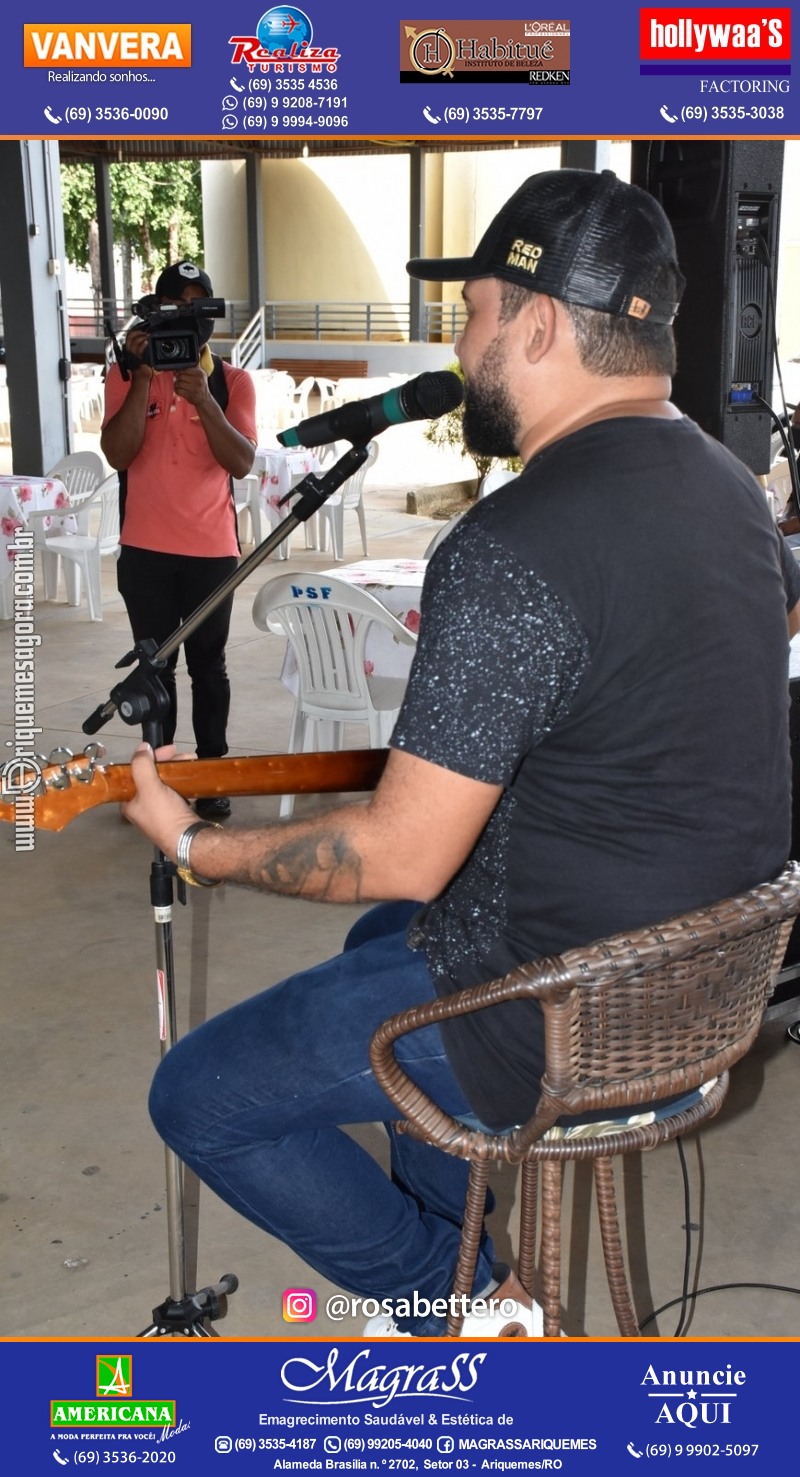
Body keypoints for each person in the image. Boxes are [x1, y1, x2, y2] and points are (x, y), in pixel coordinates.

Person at [122, 170, 800, 1337]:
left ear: (535, 325)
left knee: (199, 1094)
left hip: (554, 1007)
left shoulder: (512, 543)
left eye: (473, 312)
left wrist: (198, 844)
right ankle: (473, 1244)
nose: (459, 337)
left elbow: (399, 853)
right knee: (371, 943)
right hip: (698, 989)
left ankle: (464, 1301)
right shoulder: (731, 491)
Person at [101, 261, 257, 821]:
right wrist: (143, 376)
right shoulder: (126, 372)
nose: (187, 324)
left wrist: (205, 402)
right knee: (154, 670)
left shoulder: (232, 381)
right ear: (155, 312)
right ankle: (162, 777)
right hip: (145, 551)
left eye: (199, 310)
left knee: (208, 668)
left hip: (212, 553)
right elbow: (118, 455)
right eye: (176, 309)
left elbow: (241, 462)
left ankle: (211, 774)